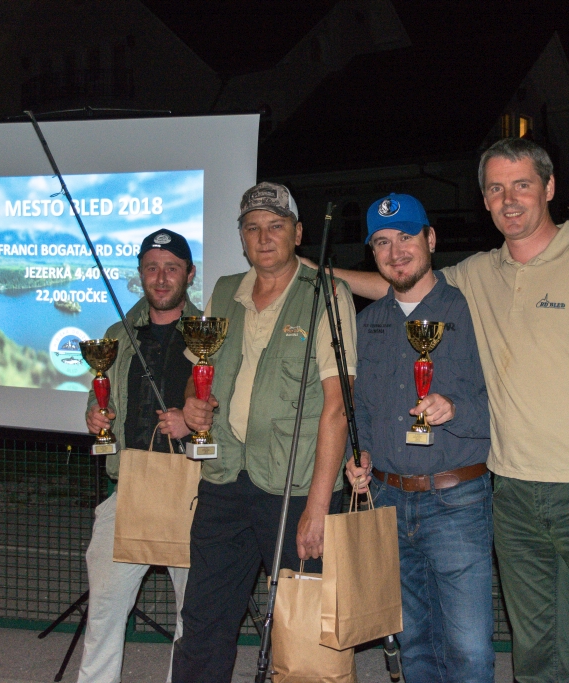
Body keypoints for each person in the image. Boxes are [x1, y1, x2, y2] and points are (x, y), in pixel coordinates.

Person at [313, 139, 569, 683]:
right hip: (514, 492)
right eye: (496, 189)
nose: (509, 200)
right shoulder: (478, 274)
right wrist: (311, 270)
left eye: (522, 185)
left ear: (549, 188)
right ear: (483, 200)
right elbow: (402, 283)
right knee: (536, 660)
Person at [171, 182, 356, 683]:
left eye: (276, 226)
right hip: (224, 478)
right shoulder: (224, 290)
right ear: (241, 238)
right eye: (252, 228)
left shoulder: (326, 293)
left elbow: (338, 408)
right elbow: (200, 370)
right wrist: (193, 402)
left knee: (304, 629)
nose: (264, 236)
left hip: (295, 488)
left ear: (297, 233)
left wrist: (319, 507)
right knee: (203, 619)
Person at [344, 193, 494, 683]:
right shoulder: (367, 323)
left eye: (407, 236)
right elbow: (362, 409)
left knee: (469, 650)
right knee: (414, 645)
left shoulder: (473, 310)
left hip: (457, 500)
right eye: (382, 242)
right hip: (387, 498)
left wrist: (457, 409)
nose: (396, 251)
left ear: (431, 238)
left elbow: (510, 401)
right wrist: (359, 454)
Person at [78, 228, 202, 683]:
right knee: (104, 614)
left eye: (171, 268)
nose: (161, 277)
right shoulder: (118, 334)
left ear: (189, 274)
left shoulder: (211, 331)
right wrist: (95, 415)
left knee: (193, 619)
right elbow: (100, 398)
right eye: (152, 268)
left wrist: (192, 421)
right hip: (127, 488)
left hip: (195, 492)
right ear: (140, 275)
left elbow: (229, 403)